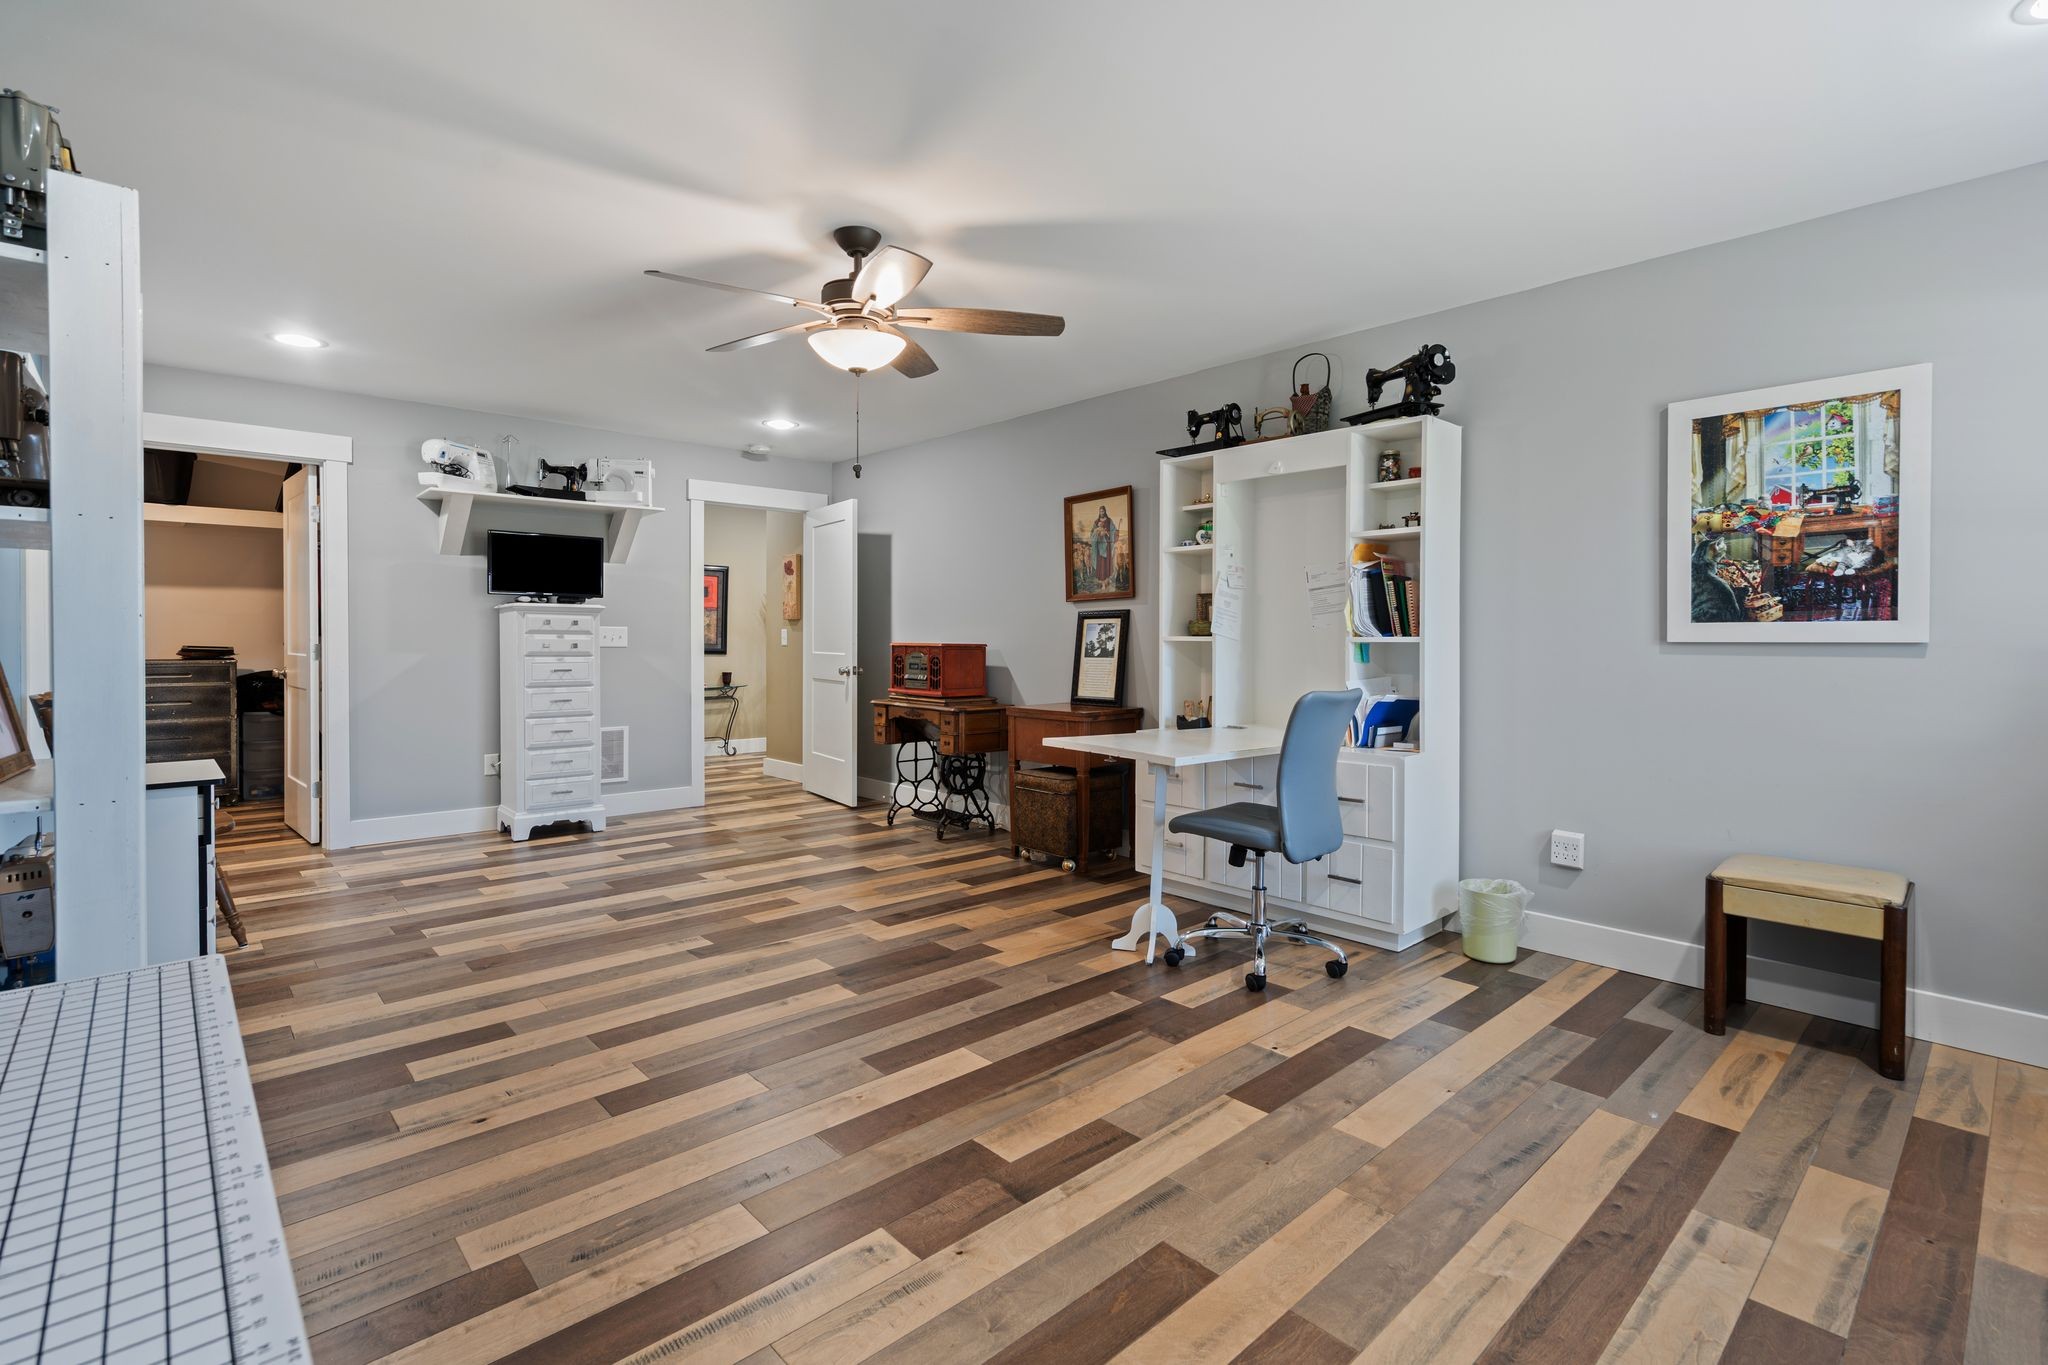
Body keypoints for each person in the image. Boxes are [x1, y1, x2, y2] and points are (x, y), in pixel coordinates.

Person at [1089, 505, 1119, 585]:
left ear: (1105, 511)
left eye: (1102, 511)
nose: (1101, 513)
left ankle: (1108, 579)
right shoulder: (1096, 522)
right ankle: (1102, 579)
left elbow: (1113, 530)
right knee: (1101, 562)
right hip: (1099, 546)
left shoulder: (1109, 521)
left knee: (1107, 561)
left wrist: (1108, 533)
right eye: (1100, 511)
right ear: (1099, 512)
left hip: (1107, 546)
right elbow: (1092, 533)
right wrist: (1098, 534)